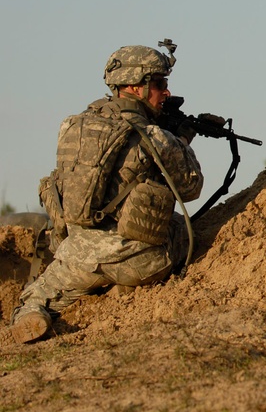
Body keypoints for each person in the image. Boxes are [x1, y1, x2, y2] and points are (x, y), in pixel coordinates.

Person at [5, 44, 204, 344]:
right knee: (187, 232)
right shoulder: (152, 135)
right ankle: (123, 287)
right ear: (136, 87)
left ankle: (34, 315)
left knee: (37, 296)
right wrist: (182, 140)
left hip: (79, 253)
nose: (165, 92)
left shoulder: (75, 125)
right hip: (140, 261)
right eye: (159, 83)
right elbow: (191, 187)